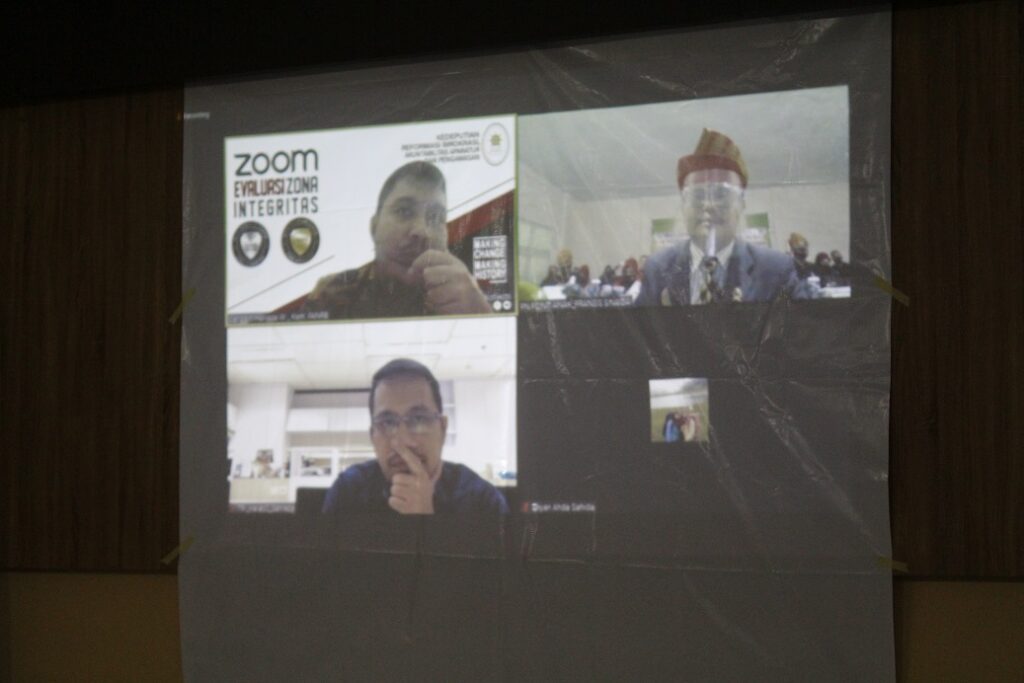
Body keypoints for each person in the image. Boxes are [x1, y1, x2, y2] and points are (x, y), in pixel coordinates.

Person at [636, 129, 811, 306]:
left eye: (721, 194)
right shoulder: (658, 268)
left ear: (741, 204)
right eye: (697, 195)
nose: (708, 205)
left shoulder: (774, 269)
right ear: (683, 205)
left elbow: (805, 322)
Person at [300, 162, 491, 319]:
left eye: (435, 217)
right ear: (374, 227)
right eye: (404, 211)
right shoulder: (331, 293)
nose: (421, 231)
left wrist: (479, 316)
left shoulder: (467, 299)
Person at [322, 358, 509, 515]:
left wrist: (425, 521)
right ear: (373, 436)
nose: (403, 441)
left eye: (419, 419)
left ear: (442, 429)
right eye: (387, 422)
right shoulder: (348, 491)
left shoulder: (482, 501)